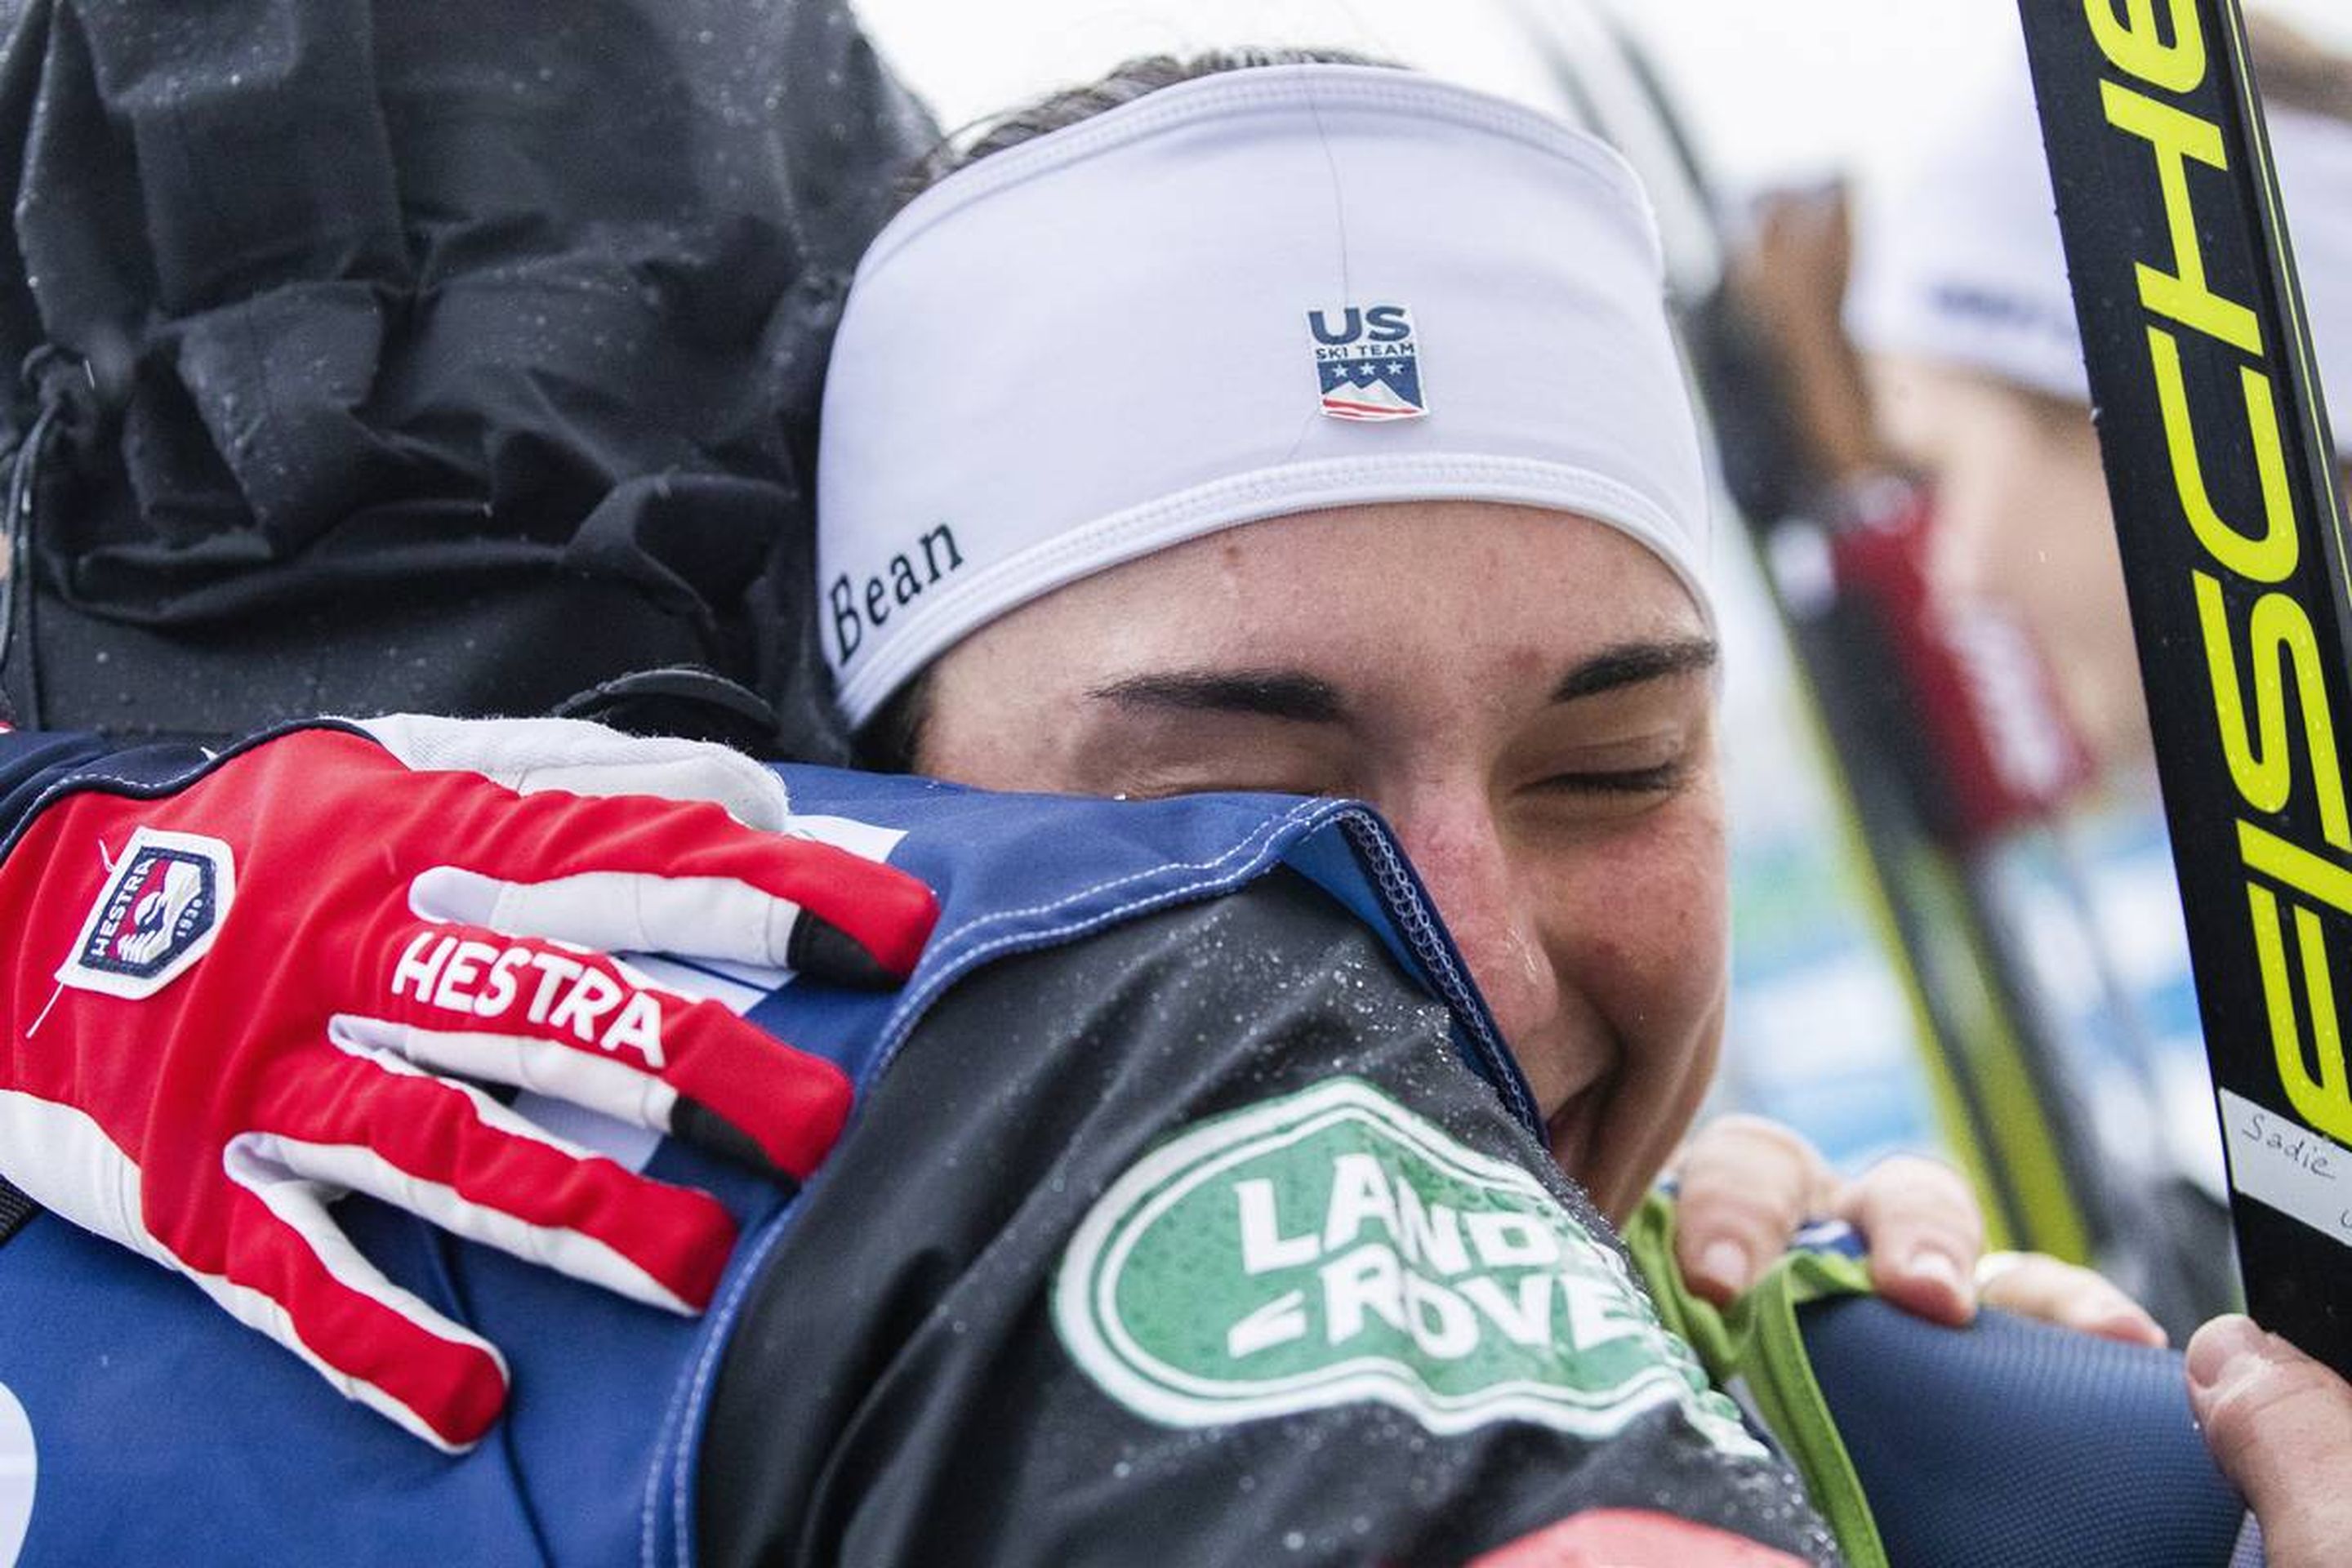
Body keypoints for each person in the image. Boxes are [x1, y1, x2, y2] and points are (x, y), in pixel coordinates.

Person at [0, 33, 2197, 1568]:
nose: (1479, 955)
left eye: (1611, 767)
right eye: (1233, 808)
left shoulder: (1999, 1440)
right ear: (878, 809)